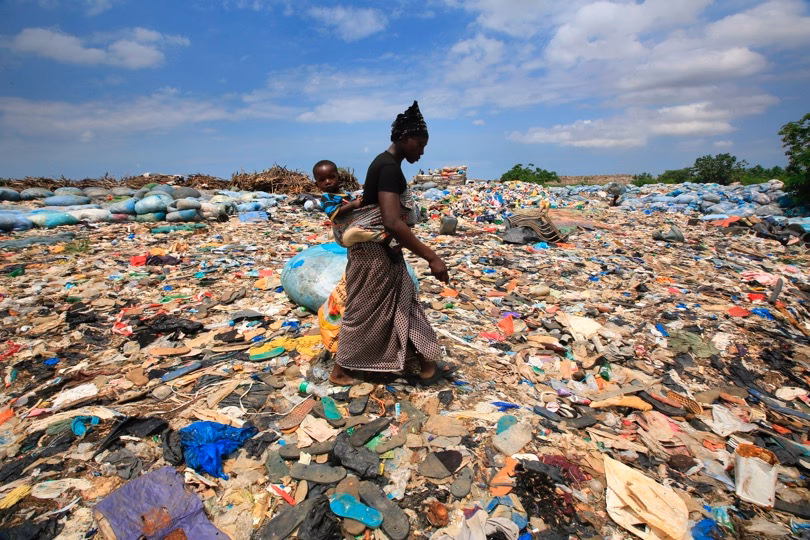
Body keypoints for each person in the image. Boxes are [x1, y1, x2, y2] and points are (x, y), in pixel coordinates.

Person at [329, 101, 457, 386]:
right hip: (374, 253)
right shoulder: (387, 167)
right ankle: (341, 370)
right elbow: (391, 221)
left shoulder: (387, 164)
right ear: (403, 138)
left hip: (385, 251)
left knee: (404, 302)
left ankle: (426, 364)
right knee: (365, 309)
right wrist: (431, 256)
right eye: (419, 144)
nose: (422, 152)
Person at [313, 159, 387, 246]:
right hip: (342, 233)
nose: (328, 182)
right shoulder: (326, 197)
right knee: (351, 234)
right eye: (322, 180)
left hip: (355, 224)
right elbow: (331, 213)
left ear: (338, 177)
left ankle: (379, 234)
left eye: (331, 177)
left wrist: (359, 200)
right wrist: (353, 205)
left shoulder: (347, 194)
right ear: (317, 184)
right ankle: (378, 235)